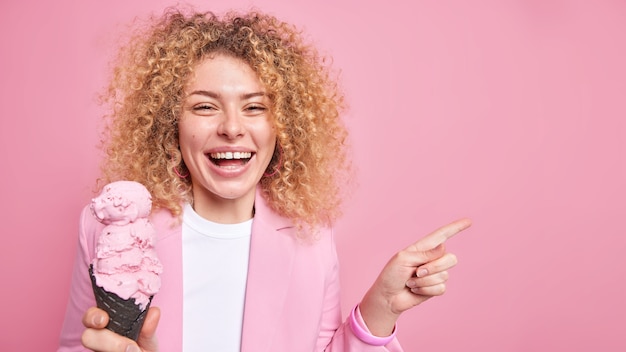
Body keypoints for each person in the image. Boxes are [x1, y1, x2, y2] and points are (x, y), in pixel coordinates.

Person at [58, 7, 471, 352]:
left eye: (255, 107)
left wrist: (381, 307)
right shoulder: (109, 229)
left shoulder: (311, 237)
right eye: (205, 107)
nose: (232, 128)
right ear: (171, 125)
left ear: (282, 126)